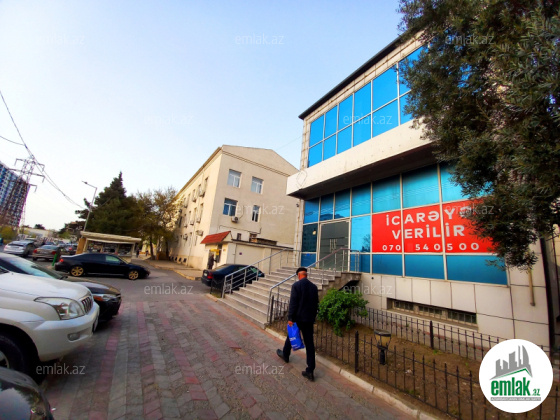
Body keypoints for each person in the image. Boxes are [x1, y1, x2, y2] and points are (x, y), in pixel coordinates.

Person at [276, 266, 319, 381]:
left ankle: (286, 354)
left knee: (292, 335)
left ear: (299, 275)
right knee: (309, 344)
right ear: (306, 275)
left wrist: (290, 317)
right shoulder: (314, 287)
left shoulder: (296, 285)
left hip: (298, 318)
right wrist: (313, 317)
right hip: (309, 319)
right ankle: (310, 370)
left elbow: (293, 303)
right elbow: (316, 304)